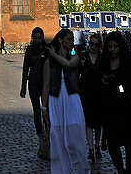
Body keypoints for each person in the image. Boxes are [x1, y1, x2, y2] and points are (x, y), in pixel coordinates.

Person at [99, 31, 131, 174]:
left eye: (115, 46)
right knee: (113, 143)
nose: (113, 49)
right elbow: (97, 82)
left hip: (128, 109)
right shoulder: (104, 63)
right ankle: (120, 169)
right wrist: (104, 81)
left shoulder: (129, 62)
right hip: (111, 110)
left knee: (130, 145)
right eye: (110, 47)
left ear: (121, 47)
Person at [42, 27, 89, 173]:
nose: (72, 42)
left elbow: (68, 65)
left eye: (72, 40)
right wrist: (43, 107)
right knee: (58, 137)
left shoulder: (76, 57)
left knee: (75, 137)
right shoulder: (49, 63)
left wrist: (54, 55)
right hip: (56, 99)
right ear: (61, 40)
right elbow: (46, 86)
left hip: (72, 98)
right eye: (69, 39)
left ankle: (79, 169)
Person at [21, 26, 49, 138]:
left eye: (39, 38)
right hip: (33, 82)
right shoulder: (29, 50)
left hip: (45, 83)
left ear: (42, 37)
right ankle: (40, 132)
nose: (37, 40)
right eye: (35, 38)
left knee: (46, 109)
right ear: (32, 38)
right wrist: (23, 87)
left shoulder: (47, 49)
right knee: (36, 110)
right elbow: (25, 68)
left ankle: (48, 130)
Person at [79, 33, 103, 164]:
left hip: (99, 93)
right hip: (86, 93)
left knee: (98, 123)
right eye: (91, 44)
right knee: (88, 121)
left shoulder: (102, 57)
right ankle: (91, 148)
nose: (93, 46)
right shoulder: (83, 56)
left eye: (96, 44)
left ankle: (98, 145)